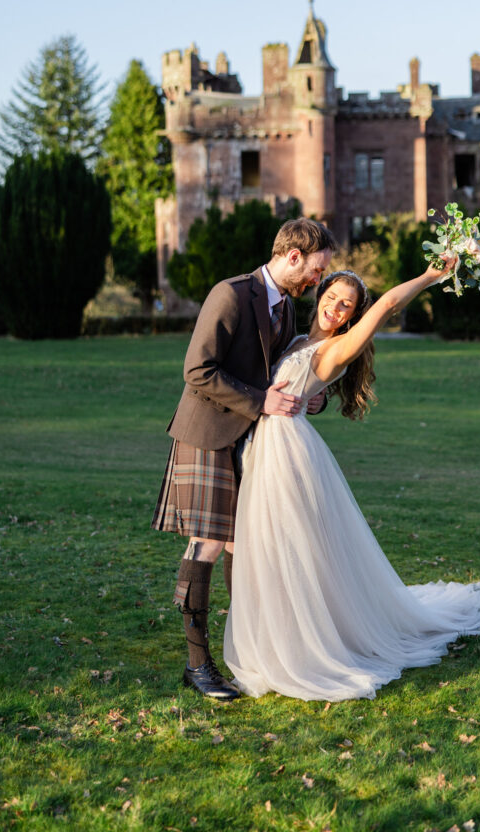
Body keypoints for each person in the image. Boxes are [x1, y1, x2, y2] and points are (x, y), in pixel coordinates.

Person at [224, 263, 480, 701]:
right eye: (332, 296)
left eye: (347, 305)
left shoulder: (341, 346)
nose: (336, 307)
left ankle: (301, 647)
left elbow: (389, 304)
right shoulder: (301, 339)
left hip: (286, 451)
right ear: (319, 294)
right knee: (269, 547)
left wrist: (431, 276)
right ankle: (277, 636)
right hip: (268, 444)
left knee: (290, 548)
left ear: (352, 316)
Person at [151, 218, 337, 700]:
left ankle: (248, 653)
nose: (318, 281)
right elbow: (197, 369)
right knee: (208, 544)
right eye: (316, 271)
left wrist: (304, 398)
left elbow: (276, 372)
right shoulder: (231, 294)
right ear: (293, 257)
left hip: (250, 439)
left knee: (243, 546)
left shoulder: (287, 309)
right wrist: (261, 401)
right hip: (208, 433)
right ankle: (197, 665)